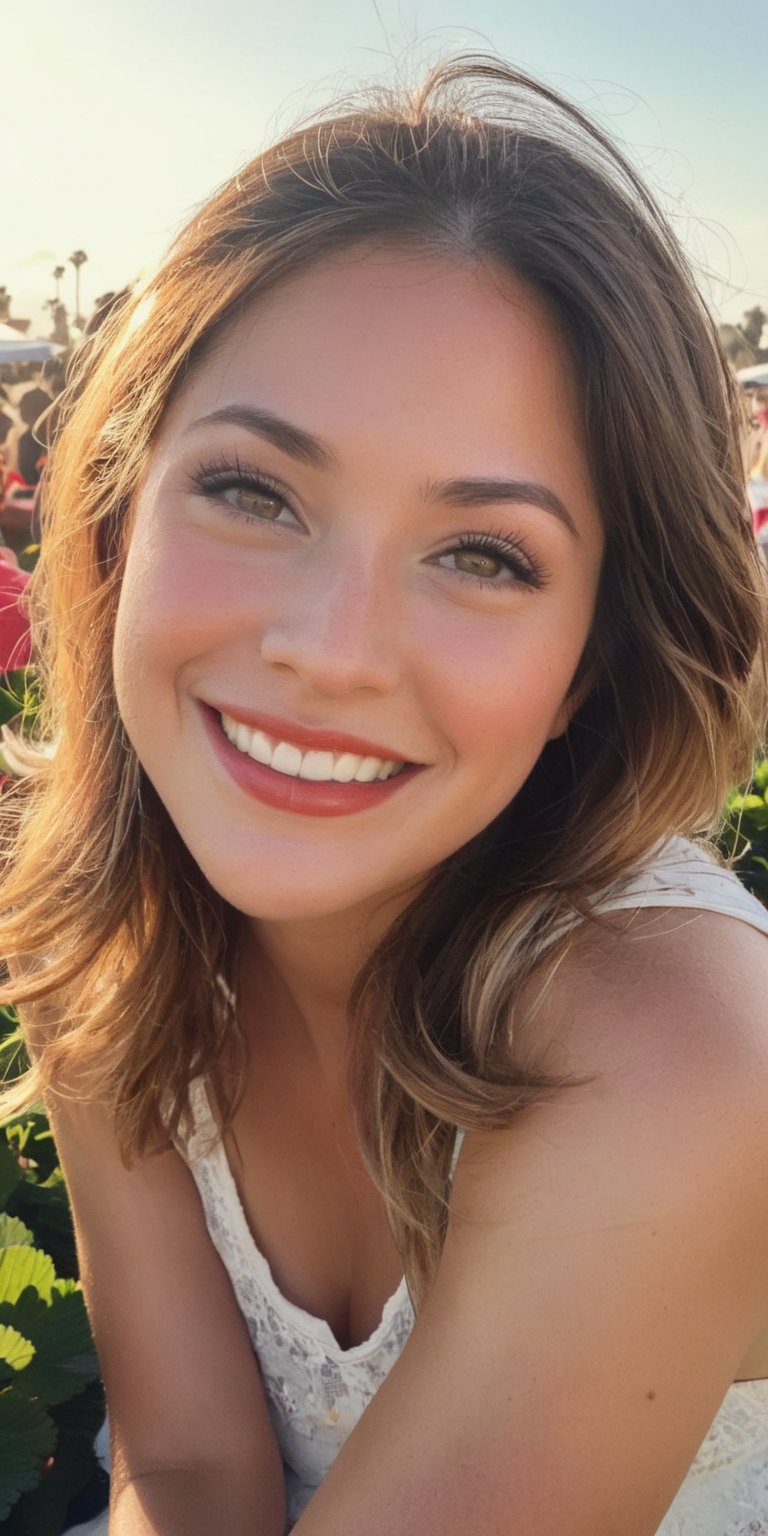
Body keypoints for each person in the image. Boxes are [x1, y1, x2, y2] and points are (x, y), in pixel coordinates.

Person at [1, 55, 768, 1536]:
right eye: (254, 491)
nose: (329, 652)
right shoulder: (96, 918)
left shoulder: (682, 1046)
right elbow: (191, 1466)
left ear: (591, 669)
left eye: (484, 556)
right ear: (113, 519)